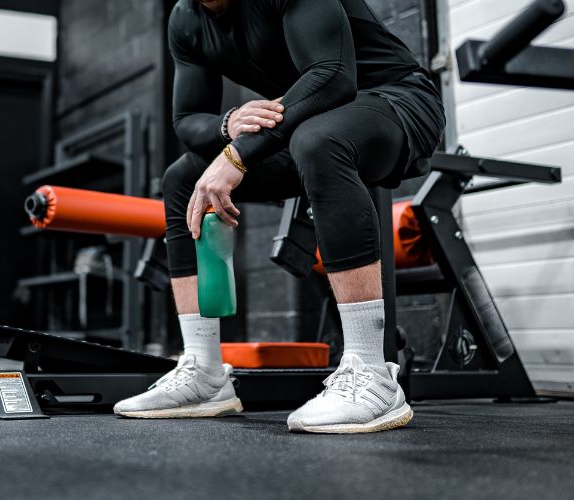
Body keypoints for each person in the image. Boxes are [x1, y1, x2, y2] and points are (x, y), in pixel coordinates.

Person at [113, 0, 445, 433]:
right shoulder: (186, 19)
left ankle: (372, 373)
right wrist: (227, 125)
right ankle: (203, 372)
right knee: (182, 177)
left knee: (318, 141)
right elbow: (187, 118)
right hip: (309, 122)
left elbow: (331, 78)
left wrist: (236, 156)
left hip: (397, 101)